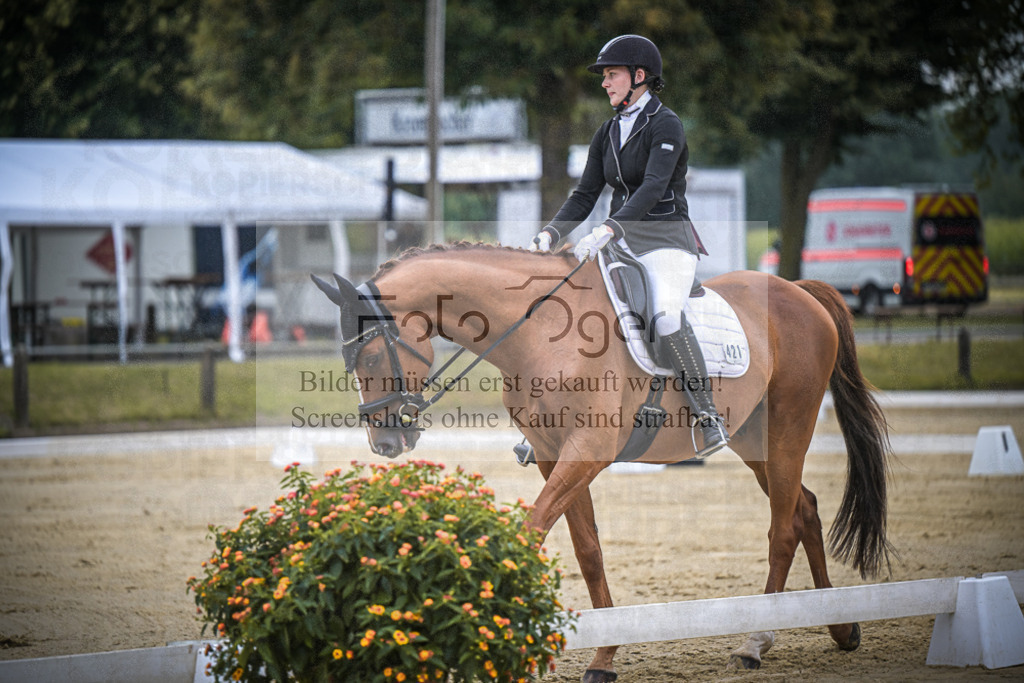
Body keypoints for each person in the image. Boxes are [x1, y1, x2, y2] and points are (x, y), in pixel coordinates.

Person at [531, 34, 728, 458]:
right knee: (572, 312)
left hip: (666, 241)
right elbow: (585, 194)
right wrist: (550, 233)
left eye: (612, 74)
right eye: (604, 76)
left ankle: (708, 414)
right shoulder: (607, 131)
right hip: (620, 242)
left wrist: (609, 229)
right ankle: (554, 420)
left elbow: (654, 186)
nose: (605, 83)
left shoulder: (666, 124)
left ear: (640, 76)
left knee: (665, 318)